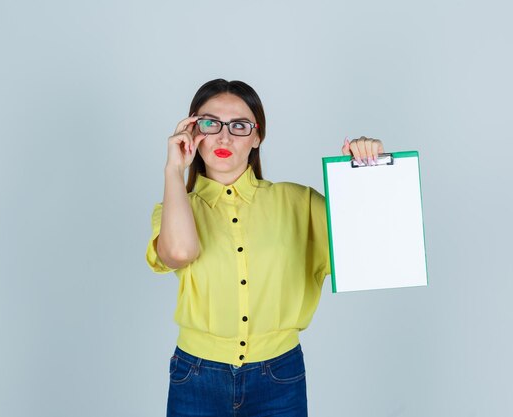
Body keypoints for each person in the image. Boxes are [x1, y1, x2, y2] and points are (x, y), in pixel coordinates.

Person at [146, 79, 384, 417]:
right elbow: (179, 253)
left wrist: (361, 173)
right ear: (192, 131)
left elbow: (372, 246)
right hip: (196, 376)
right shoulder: (175, 208)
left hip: (278, 377)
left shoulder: (298, 202)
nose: (224, 137)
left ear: (257, 137)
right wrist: (173, 169)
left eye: (240, 126)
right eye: (210, 123)